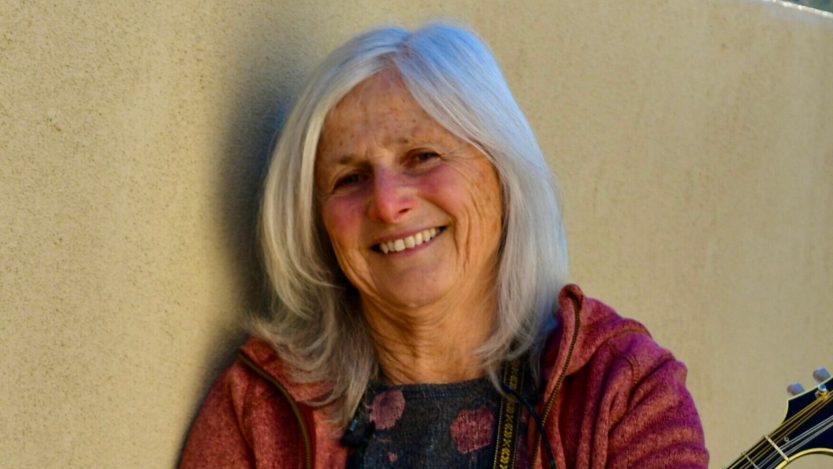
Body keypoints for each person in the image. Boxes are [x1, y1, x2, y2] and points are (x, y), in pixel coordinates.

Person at [180, 23, 708, 468]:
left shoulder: (619, 392)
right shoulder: (262, 407)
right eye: (349, 178)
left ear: (504, 175)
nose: (387, 203)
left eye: (423, 157)